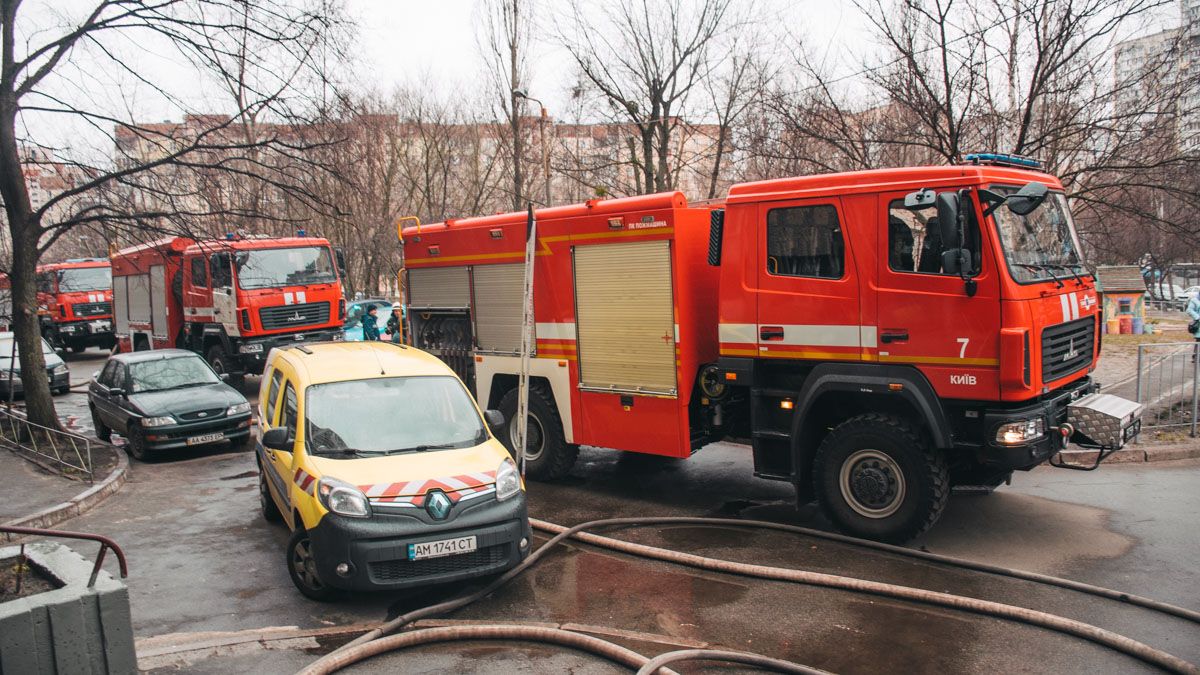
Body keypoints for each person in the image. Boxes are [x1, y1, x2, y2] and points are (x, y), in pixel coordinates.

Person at [1187, 293, 1200, 361]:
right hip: (1199, 324)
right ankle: (1195, 357)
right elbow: (1189, 310)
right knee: (1199, 340)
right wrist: (1197, 317)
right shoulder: (1195, 300)